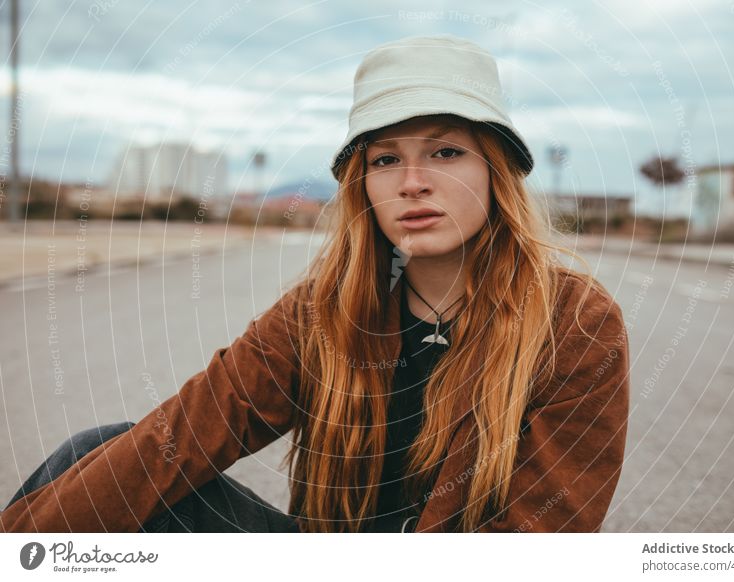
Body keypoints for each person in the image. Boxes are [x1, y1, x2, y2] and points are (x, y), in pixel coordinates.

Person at [1, 34, 629, 534]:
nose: (413, 181)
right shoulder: (324, 310)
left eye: (445, 152)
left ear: (495, 170)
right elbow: (188, 431)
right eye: (385, 159)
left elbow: (543, 535)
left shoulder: (573, 320)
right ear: (364, 186)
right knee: (104, 456)